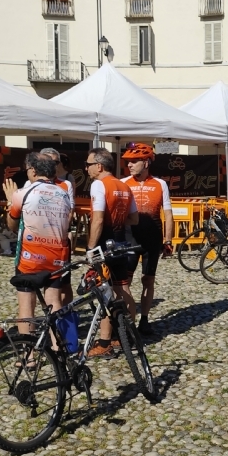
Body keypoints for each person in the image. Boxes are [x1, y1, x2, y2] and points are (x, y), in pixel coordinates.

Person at [4, 151, 73, 335]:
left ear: (33, 171)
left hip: (30, 257)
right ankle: (59, 349)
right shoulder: (64, 194)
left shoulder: (22, 193)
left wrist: (10, 201)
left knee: (27, 305)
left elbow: (11, 225)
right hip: (57, 256)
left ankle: (29, 355)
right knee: (55, 302)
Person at [85, 147, 139, 356]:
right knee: (122, 289)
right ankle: (128, 336)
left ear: (99, 166)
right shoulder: (124, 186)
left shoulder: (99, 184)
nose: (86, 168)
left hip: (103, 242)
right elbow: (133, 219)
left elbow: (97, 219)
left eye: (89, 164)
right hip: (120, 241)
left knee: (103, 292)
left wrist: (90, 248)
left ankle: (105, 341)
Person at [122, 143, 173, 335]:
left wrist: (168, 240)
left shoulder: (160, 184)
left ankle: (144, 318)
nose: (130, 165)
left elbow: (167, 213)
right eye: (128, 162)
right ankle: (128, 318)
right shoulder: (124, 182)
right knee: (124, 281)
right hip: (130, 238)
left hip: (152, 238)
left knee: (148, 280)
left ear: (146, 162)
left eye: (134, 161)